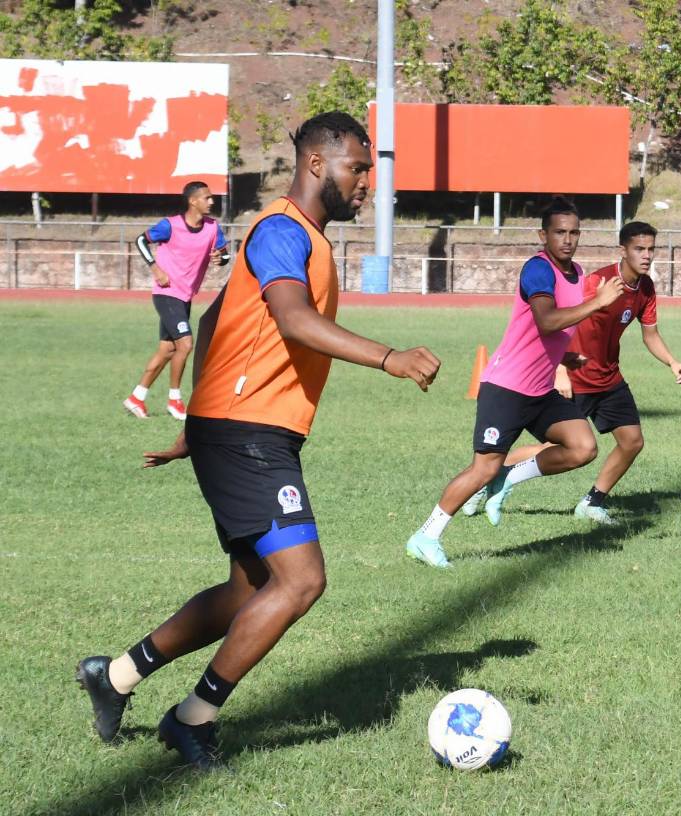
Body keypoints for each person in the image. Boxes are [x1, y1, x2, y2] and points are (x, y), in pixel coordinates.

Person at [76, 112, 440, 772]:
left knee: (250, 590)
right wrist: (390, 358)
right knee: (301, 582)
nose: (365, 184)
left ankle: (119, 674)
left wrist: (199, 417)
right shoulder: (281, 229)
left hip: (244, 427)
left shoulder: (302, 239)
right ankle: (193, 719)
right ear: (316, 166)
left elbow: (216, 320)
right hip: (248, 434)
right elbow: (293, 320)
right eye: (358, 169)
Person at [405, 197, 624, 567]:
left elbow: (551, 333)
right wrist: (599, 302)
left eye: (574, 232)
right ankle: (425, 535)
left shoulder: (578, 271)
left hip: (539, 390)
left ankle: (508, 478)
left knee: (583, 447)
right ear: (543, 234)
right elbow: (547, 321)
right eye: (559, 232)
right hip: (506, 388)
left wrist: (564, 357)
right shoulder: (537, 270)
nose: (567, 240)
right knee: (482, 469)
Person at [463, 221, 681, 525]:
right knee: (555, 448)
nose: (647, 255)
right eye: (639, 249)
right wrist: (559, 369)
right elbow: (559, 321)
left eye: (651, 249)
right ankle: (487, 478)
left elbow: (650, 335)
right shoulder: (596, 282)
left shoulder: (645, 288)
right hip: (577, 377)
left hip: (608, 378)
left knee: (632, 441)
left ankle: (591, 502)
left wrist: (672, 361)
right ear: (623, 250)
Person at [123, 182, 230, 420]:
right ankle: (175, 401)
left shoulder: (213, 228)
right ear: (193, 201)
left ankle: (136, 398)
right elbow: (141, 241)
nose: (212, 202)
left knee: (167, 349)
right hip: (166, 293)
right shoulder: (170, 225)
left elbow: (225, 255)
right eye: (207, 198)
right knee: (185, 344)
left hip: (185, 296)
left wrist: (220, 258)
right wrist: (155, 268)